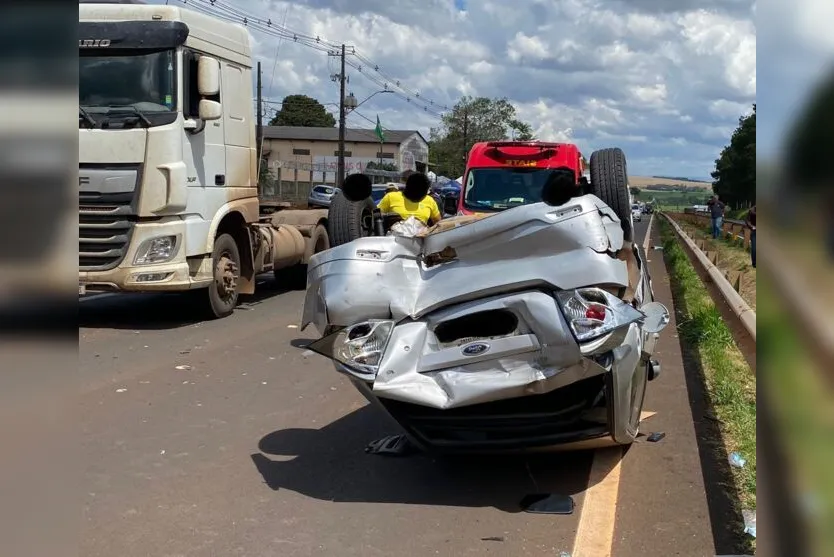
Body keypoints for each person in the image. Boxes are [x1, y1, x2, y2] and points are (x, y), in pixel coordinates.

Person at [377, 170, 442, 226]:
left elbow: (438, 224)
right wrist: (387, 218)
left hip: (420, 238)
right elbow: (375, 216)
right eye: (416, 192)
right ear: (407, 188)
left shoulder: (430, 200)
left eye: (422, 194)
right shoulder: (390, 197)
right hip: (394, 238)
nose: (419, 196)